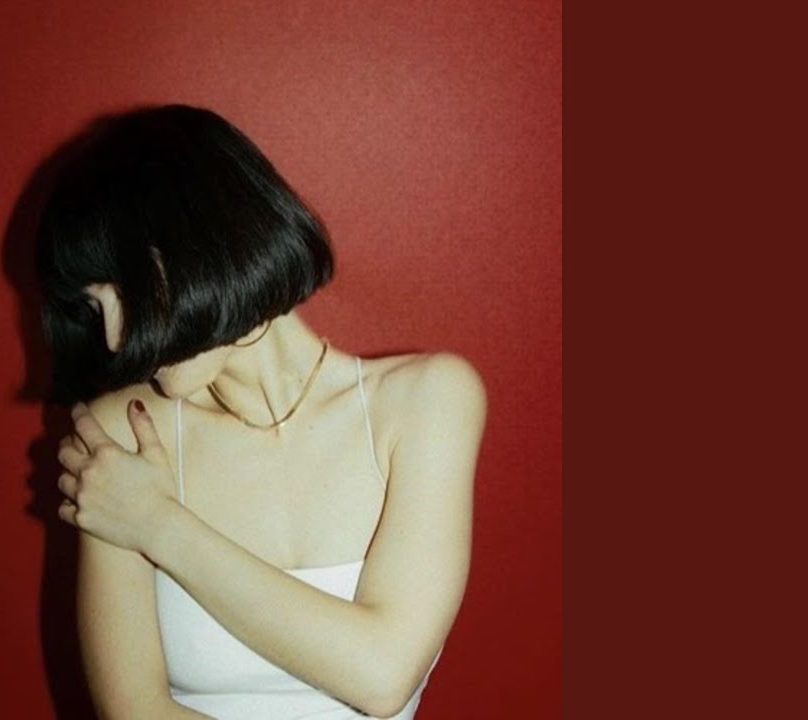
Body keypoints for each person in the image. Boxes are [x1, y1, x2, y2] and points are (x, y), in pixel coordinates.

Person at [35, 104, 486, 719]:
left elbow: (382, 675)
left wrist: (158, 524)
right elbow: (135, 712)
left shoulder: (427, 400)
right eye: (96, 307)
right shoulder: (122, 432)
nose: (114, 339)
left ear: (201, 246)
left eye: (123, 290)